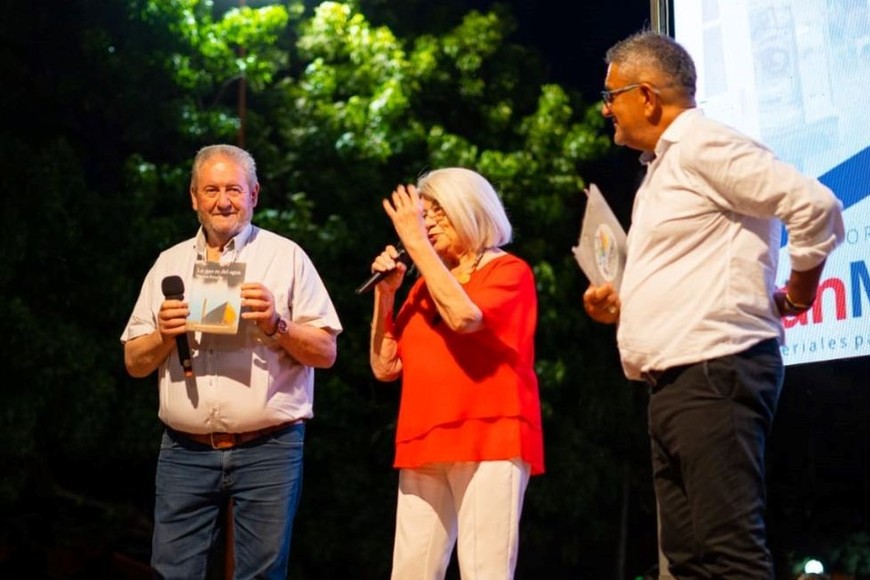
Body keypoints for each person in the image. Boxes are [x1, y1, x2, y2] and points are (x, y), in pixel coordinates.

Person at [582, 31, 844, 580]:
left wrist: (799, 293)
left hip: (715, 369)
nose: (606, 109)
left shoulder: (704, 145)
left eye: (612, 95)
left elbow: (815, 206)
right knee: (688, 561)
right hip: (677, 380)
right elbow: (689, 270)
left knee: (728, 554)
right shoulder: (664, 167)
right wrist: (623, 305)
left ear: (646, 97)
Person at [120, 144, 342, 579]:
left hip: (269, 448)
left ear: (254, 194)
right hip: (184, 450)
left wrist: (278, 324)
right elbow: (134, 362)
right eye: (211, 190)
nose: (223, 201)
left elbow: (326, 352)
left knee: (261, 575)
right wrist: (164, 335)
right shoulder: (170, 262)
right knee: (171, 573)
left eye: (234, 190)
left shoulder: (286, 257)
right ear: (194, 197)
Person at [367, 167, 544, 579]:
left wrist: (415, 244)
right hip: (424, 438)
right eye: (422, 215)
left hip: (489, 435)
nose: (425, 223)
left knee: (484, 569)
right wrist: (385, 296)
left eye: (436, 212)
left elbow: (465, 317)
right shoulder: (425, 286)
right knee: (410, 572)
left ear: (469, 209)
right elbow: (385, 366)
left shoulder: (508, 270)